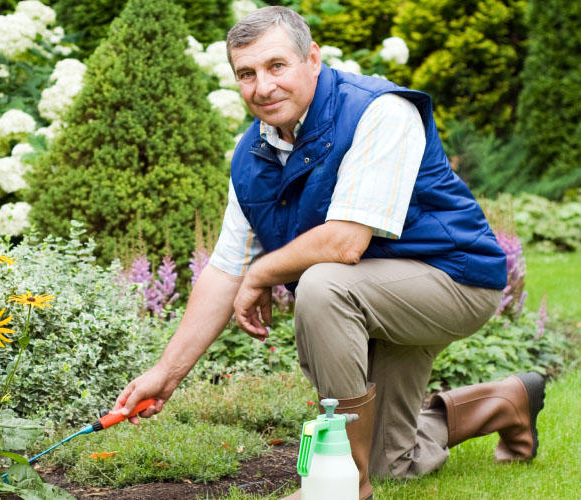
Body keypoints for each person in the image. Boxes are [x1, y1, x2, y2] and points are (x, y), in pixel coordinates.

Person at [113, 6, 546, 500]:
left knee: (321, 286)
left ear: (312, 59)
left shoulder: (379, 110)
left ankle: (338, 483)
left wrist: (264, 274)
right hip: (373, 290)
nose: (263, 86)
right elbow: (225, 269)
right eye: (247, 74)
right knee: (391, 461)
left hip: (453, 279)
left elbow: (345, 241)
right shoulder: (251, 155)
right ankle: (506, 402)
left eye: (277, 66)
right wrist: (165, 376)